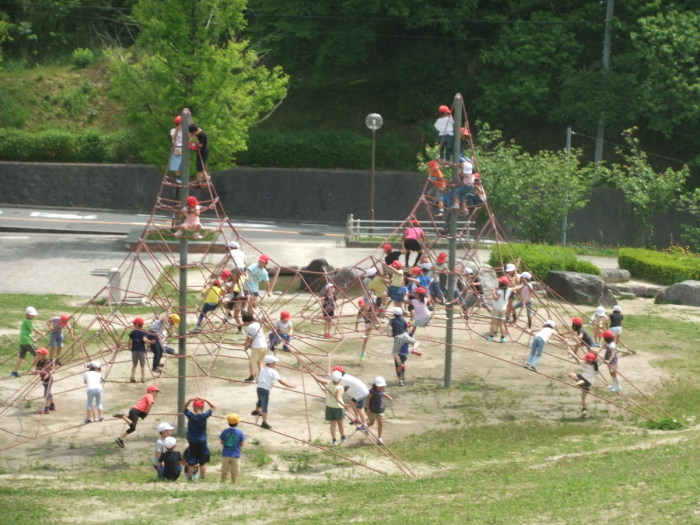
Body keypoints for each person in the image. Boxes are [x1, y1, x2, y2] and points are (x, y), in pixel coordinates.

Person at [251, 355, 296, 430]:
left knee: (260, 400)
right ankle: (264, 422)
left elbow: (260, 364)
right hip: (265, 390)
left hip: (259, 388)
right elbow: (280, 381)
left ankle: (256, 411)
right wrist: (290, 386)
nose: (276, 364)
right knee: (264, 405)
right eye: (275, 362)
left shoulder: (263, 369)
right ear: (271, 363)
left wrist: (260, 358)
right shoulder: (273, 372)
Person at [309, 369, 348, 445]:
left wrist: (313, 374)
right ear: (340, 379)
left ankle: (334, 440)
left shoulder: (329, 383)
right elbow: (338, 398)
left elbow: (319, 380)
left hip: (329, 406)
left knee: (332, 424)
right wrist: (345, 405)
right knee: (340, 424)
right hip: (338, 407)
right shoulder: (339, 388)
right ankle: (343, 437)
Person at [183, 397, 215, 481]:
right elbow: (213, 407)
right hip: (202, 440)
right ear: (202, 407)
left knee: (191, 461)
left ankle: (190, 478)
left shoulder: (190, 416)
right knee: (202, 462)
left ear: (193, 407)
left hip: (192, 441)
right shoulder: (204, 416)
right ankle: (203, 478)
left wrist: (190, 400)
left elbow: (184, 407)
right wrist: (205, 399)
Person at [389, 307, 420, 386]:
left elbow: (391, 331)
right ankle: (403, 377)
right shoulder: (408, 334)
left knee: (398, 364)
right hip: (405, 354)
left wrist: (390, 334)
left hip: (399, 353)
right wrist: (414, 323)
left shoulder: (396, 331)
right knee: (403, 363)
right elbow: (411, 328)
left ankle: (400, 381)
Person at [335, 366, 370, 430]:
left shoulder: (343, 380)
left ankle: (364, 424)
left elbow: (335, 385)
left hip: (361, 392)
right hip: (360, 391)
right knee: (352, 403)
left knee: (359, 408)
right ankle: (357, 419)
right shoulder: (345, 376)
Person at [11, 306, 43, 377]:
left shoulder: (25, 321)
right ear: (27, 315)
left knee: (21, 357)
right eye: (32, 315)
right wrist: (41, 334)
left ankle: (14, 372)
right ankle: (34, 369)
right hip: (27, 341)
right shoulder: (28, 321)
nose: (34, 316)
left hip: (22, 341)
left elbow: (27, 332)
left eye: (34, 315)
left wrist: (33, 338)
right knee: (38, 355)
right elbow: (33, 329)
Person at [567, 350, 599, 417]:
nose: (584, 359)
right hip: (589, 383)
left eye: (586, 359)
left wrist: (571, 353)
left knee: (571, 374)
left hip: (584, 379)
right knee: (583, 398)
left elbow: (577, 358)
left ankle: (578, 384)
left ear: (589, 361)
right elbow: (596, 359)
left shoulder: (585, 363)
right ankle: (584, 410)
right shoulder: (595, 365)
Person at [365, 376, 393, 445]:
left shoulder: (382, 389)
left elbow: (382, 393)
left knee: (380, 424)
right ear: (375, 385)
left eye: (382, 386)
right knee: (371, 423)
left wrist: (388, 396)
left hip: (380, 409)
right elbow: (367, 399)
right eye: (380, 386)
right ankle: (365, 427)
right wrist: (368, 409)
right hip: (371, 410)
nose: (381, 387)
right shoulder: (371, 391)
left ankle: (379, 438)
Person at [242, 310, 268, 383]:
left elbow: (249, 339)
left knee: (251, 362)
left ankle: (252, 377)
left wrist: (246, 346)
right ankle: (263, 378)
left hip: (257, 347)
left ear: (246, 321)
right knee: (260, 363)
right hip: (264, 346)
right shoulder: (257, 324)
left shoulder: (250, 327)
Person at [220, 413, 246, 483]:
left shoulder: (225, 431)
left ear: (228, 422)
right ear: (237, 422)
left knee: (224, 471)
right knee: (234, 472)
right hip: (236, 454)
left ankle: (222, 483)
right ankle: (233, 484)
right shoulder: (240, 432)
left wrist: (227, 444)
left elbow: (222, 442)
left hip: (225, 454)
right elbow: (241, 443)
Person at [487, 277, 512, 343]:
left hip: (496, 308)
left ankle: (490, 337)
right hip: (503, 309)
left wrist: (493, 291)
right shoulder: (509, 289)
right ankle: (503, 338)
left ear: (501, 284)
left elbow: (495, 298)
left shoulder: (499, 291)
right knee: (501, 324)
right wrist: (523, 285)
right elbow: (516, 288)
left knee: (494, 323)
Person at [32, 347, 56, 414]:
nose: (38, 355)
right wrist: (34, 372)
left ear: (44, 355)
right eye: (38, 354)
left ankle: (46, 409)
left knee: (46, 394)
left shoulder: (47, 362)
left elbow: (49, 372)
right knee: (49, 393)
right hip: (43, 379)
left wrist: (45, 378)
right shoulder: (39, 362)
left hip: (48, 380)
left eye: (39, 354)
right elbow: (37, 370)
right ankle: (52, 405)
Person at [128, 317, 150, 383]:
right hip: (141, 351)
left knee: (134, 364)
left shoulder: (133, 332)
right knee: (142, 365)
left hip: (134, 350)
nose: (133, 325)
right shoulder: (144, 332)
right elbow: (144, 340)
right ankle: (143, 378)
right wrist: (149, 343)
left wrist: (128, 346)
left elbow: (129, 340)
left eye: (134, 324)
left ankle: (132, 377)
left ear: (137, 325)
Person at [169, 115, 183, 184]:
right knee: (175, 163)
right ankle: (178, 176)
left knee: (182, 163)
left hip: (183, 148)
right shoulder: (173, 130)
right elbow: (173, 138)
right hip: (176, 147)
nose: (180, 125)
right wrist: (177, 130)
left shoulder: (185, 131)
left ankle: (184, 176)